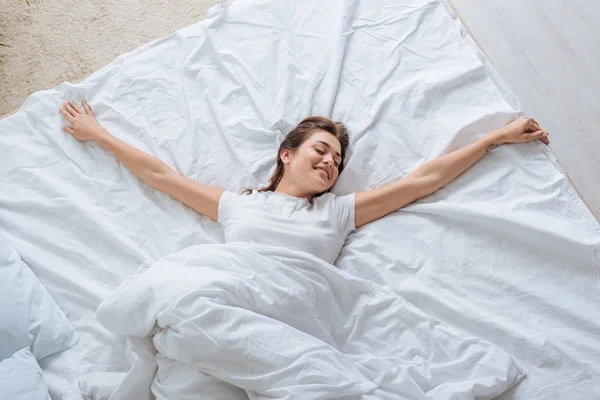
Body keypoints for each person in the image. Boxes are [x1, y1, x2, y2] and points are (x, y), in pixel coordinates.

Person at [59, 99, 549, 264]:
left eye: (337, 159)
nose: (331, 163)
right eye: (321, 150)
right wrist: (97, 134)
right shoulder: (236, 205)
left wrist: (494, 138)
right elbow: (159, 174)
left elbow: (423, 181)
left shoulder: (337, 212)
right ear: (286, 154)